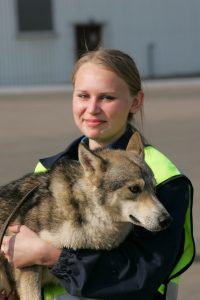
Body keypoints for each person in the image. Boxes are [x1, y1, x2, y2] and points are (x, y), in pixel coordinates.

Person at [0, 48, 195, 300]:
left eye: (107, 98)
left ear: (136, 102)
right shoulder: (48, 171)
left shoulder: (164, 180)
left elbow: (142, 276)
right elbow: (23, 262)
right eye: (83, 96)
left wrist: (52, 256)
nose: (92, 108)